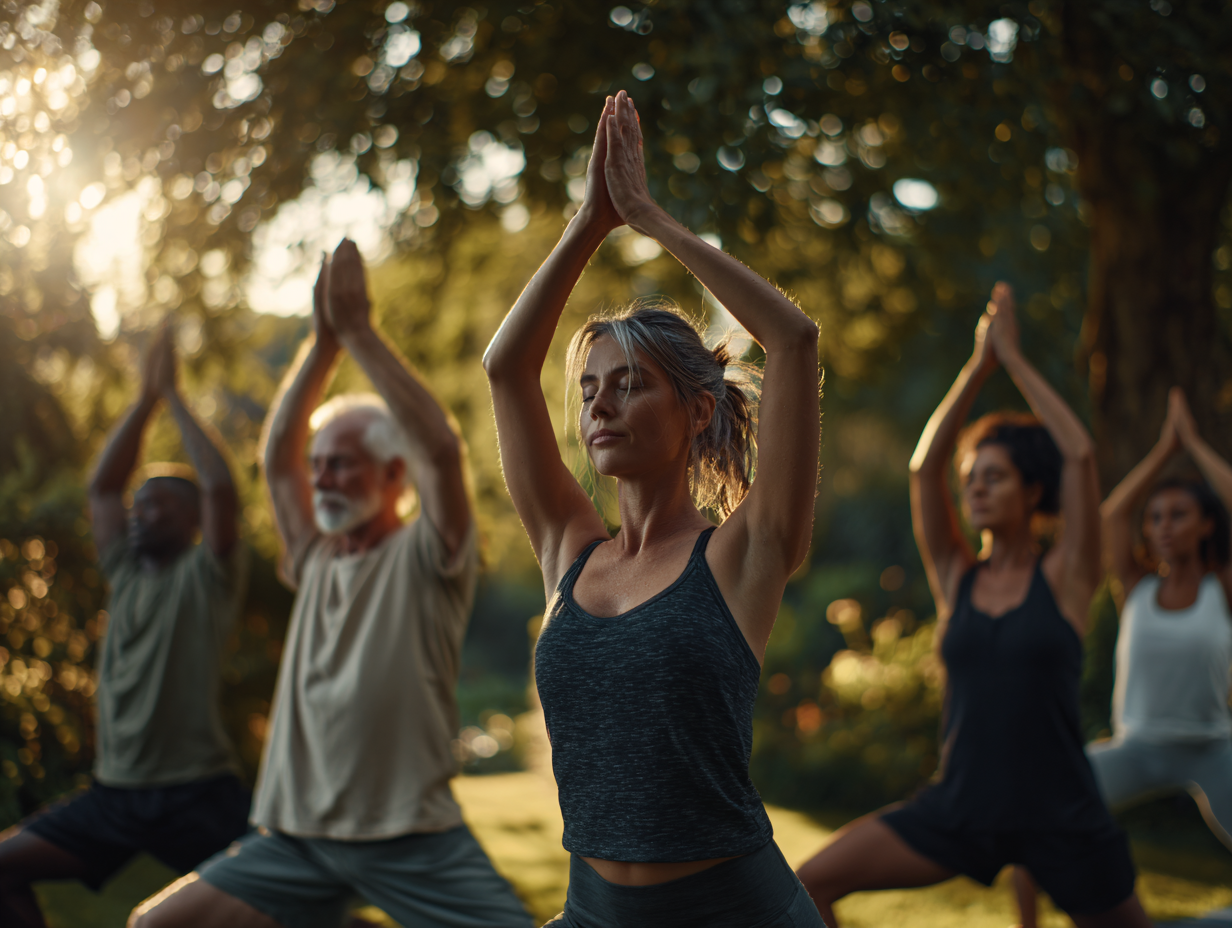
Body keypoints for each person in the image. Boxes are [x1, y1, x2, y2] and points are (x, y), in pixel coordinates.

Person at [483, 90, 823, 928]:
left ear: (697, 411)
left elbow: (793, 341)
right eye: (591, 389)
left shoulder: (744, 555)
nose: (599, 406)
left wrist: (649, 219)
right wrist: (589, 224)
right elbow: (505, 368)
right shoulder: (569, 548)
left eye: (630, 385)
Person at [131, 241, 531, 928]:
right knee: (154, 926)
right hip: (295, 839)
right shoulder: (313, 557)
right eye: (321, 466)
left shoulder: (432, 554)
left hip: (412, 839)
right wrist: (320, 345)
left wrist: (360, 336)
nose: (322, 480)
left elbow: (440, 445)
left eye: (343, 465)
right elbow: (278, 459)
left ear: (392, 476)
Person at [794, 285, 1152, 928]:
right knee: (806, 886)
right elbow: (924, 469)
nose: (976, 487)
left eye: (995, 475)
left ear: (1031, 490)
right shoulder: (956, 575)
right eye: (972, 479)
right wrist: (977, 365)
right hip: (960, 809)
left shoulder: (1068, 574)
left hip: (1062, 816)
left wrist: (1012, 362)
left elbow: (1080, 454)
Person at [0, 324, 251, 927]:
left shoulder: (208, 574)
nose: (141, 514)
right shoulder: (125, 571)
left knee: (290, 908)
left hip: (199, 795)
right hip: (116, 795)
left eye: (161, 504)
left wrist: (175, 400)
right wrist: (143, 399)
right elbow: (103, 486)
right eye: (140, 506)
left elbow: (220, 487)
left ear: (193, 523)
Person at [1013, 387, 1232, 927]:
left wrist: (1196, 445)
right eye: (1156, 516)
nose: (1162, 526)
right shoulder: (1133, 586)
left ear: (1207, 524)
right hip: (1137, 745)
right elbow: (1112, 517)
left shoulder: (1221, 589)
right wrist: (1163, 450)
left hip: (1212, 747)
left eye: (1179, 515)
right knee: (1035, 813)